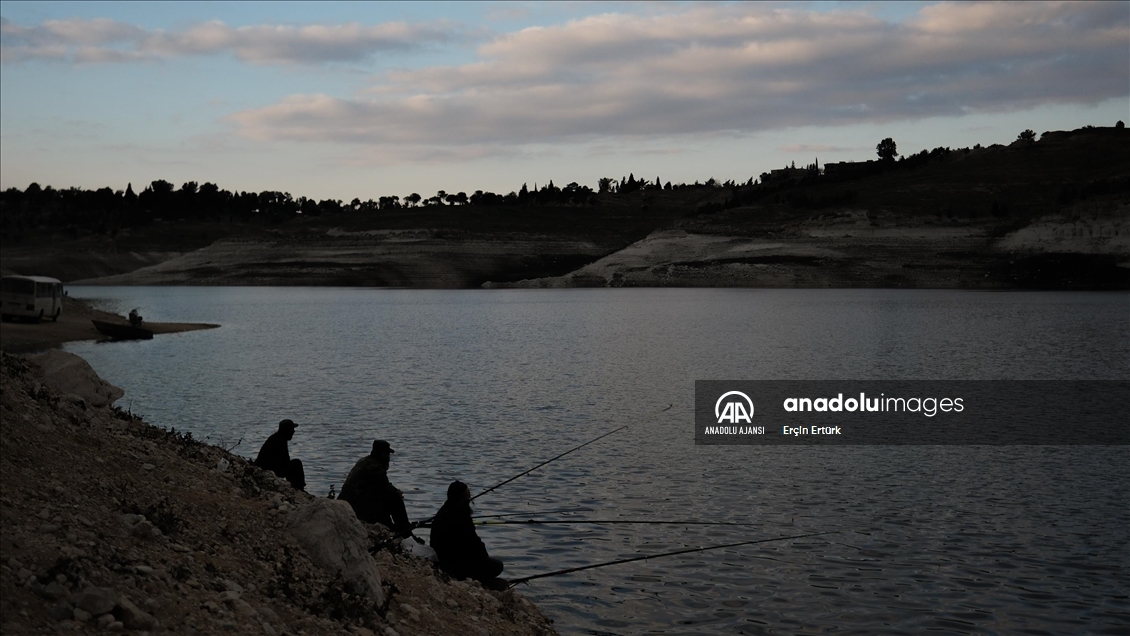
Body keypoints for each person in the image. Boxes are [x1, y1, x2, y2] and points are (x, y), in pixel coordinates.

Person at [430, 480, 506, 588]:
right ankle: (480, 581)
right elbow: (476, 545)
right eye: (467, 496)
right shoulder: (461, 516)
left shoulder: (443, 511)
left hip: (444, 560)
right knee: (498, 565)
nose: (469, 499)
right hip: (457, 565)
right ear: (462, 498)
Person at [338, 440, 412, 536]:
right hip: (356, 510)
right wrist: (397, 493)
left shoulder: (364, 461)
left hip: (347, 505)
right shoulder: (374, 468)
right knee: (396, 500)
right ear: (383, 455)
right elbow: (389, 492)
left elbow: (381, 487)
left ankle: (394, 527)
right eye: (387, 455)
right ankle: (406, 533)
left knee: (388, 498)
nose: (389, 459)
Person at [252, 419, 306, 491]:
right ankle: (299, 488)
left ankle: (297, 487)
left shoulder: (278, 438)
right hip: (269, 470)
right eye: (292, 429)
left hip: (270, 468)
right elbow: (284, 462)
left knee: (293, 464)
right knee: (296, 463)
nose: (293, 431)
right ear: (287, 431)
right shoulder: (279, 442)